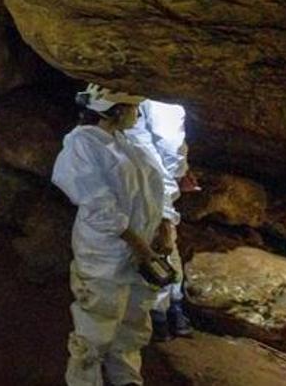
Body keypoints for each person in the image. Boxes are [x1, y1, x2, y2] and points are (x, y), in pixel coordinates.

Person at [52, 83, 180, 386]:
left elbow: (154, 187)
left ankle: (126, 378)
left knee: (132, 322)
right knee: (97, 324)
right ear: (118, 110)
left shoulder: (124, 141)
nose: (138, 113)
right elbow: (99, 204)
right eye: (134, 108)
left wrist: (165, 225)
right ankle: (84, 380)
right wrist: (140, 247)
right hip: (105, 255)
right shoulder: (82, 144)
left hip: (138, 251)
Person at [126, 100, 196, 341]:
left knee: (157, 243)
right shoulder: (155, 98)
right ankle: (169, 313)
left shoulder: (157, 98)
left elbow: (169, 141)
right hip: (148, 174)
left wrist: (178, 172)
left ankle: (160, 315)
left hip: (150, 176)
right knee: (161, 243)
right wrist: (178, 171)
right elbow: (170, 142)